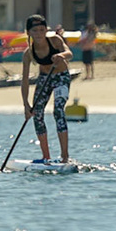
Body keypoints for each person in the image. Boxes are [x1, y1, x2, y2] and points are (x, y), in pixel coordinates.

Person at [18, 13, 73, 164]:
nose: (39, 34)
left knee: (58, 110)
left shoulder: (55, 40)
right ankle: (46, 157)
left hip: (61, 77)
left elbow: (69, 53)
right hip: (44, 79)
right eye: (35, 31)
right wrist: (26, 105)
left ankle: (65, 157)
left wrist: (61, 56)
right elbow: (25, 81)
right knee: (37, 114)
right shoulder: (28, 54)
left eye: (42, 30)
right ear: (28, 32)